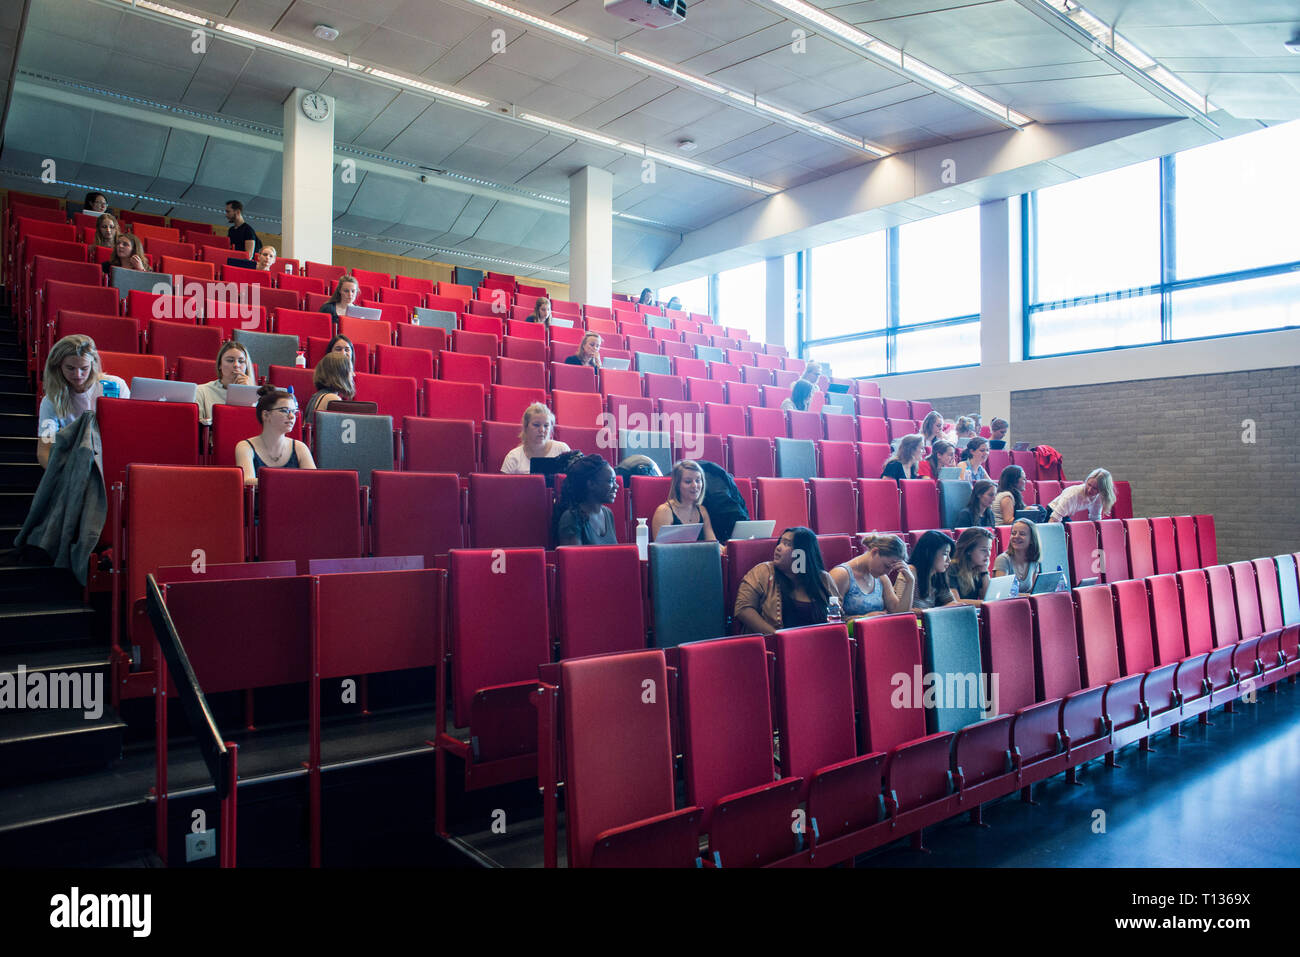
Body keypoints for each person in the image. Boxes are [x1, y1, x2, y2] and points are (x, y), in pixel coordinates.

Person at [36, 335, 130, 469]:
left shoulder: (116, 386)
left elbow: (128, 431)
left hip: (112, 456)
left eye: (84, 368)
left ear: (93, 365)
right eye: (70, 368)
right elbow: (44, 450)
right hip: (74, 462)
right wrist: (60, 473)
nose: (78, 375)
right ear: (58, 366)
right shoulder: (51, 400)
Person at [733, 526, 836, 635]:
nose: (778, 547)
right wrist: (778, 637)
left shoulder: (823, 579)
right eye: (780, 542)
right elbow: (743, 609)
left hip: (818, 644)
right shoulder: (763, 572)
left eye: (787, 544)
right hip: (775, 647)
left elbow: (839, 616)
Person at [828, 534, 915, 619]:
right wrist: (864, 618)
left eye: (891, 569)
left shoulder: (882, 578)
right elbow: (833, 620)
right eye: (886, 566)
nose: (888, 573)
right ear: (874, 552)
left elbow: (899, 614)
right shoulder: (841, 575)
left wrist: (910, 581)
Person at [554, 454, 618, 546]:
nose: (616, 486)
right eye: (611, 481)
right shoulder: (571, 518)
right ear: (591, 484)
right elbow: (574, 559)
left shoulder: (608, 513)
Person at [650, 460, 716, 542]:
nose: (694, 485)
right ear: (677, 485)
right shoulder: (664, 511)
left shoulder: (702, 510)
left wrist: (724, 548)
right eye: (688, 481)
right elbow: (659, 551)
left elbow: (712, 543)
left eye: (698, 480)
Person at [500, 402, 571, 474]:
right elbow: (503, 485)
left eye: (546, 425)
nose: (542, 430)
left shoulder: (562, 450)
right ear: (525, 426)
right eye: (536, 425)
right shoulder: (513, 457)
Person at [195, 340, 254, 425]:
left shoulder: (256, 394)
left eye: (241, 361)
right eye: (230, 360)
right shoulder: (201, 391)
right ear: (220, 365)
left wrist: (249, 393)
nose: (236, 365)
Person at [304, 353, 356, 427]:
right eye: (350, 370)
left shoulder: (316, 396)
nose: (354, 374)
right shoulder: (332, 398)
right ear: (340, 374)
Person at [908, 529, 956, 610]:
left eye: (949, 555)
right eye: (945, 554)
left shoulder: (938, 575)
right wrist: (935, 611)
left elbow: (950, 602)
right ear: (929, 553)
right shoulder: (910, 572)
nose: (949, 560)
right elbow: (902, 610)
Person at [993, 518, 1043, 594]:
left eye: (1022, 534)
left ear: (1032, 540)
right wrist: (1027, 597)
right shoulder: (1003, 560)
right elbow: (1002, 593)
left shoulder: (1034, 561)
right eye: (1013, 533)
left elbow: (1034, 592)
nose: (1016, 536)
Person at [1047, 468, 1116, 523]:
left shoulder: (1099, 497)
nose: (1089, 490)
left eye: (1095, 488)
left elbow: (1095, 518)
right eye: (1089, 484)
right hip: (1052, 512)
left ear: (1101, 490)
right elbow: (1054, 518)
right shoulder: (1072, 494)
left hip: (1064, 515)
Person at [946, 527, 993, 604]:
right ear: (969, 550)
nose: (988, 554)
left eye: (989, 549)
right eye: (983, 550)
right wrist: (987, 603)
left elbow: (987, 597)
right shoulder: (951, 568)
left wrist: (984, 572)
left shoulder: (979, 568)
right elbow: (955, 601)